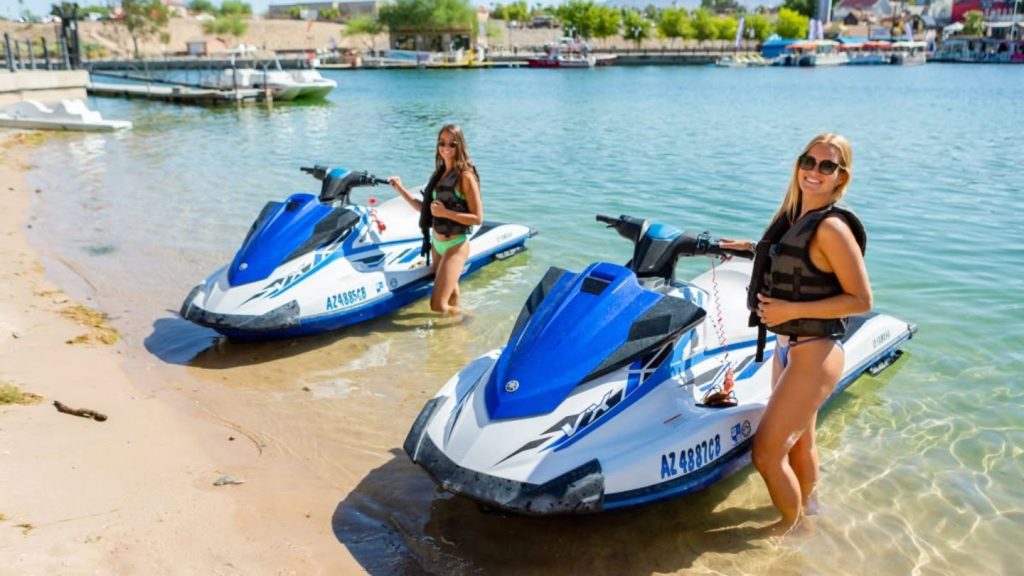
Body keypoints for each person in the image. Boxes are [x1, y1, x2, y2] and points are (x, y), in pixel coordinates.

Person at [721, 133, 873, 535]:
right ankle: (811, 511)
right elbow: (795, 258)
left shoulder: (832, 228)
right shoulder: (795, 217)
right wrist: (750, 249)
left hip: (814, 354)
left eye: (827, 166)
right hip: (787, 350)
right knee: (801, 444)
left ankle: (791, 528)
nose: (814, 171)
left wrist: (791, 310)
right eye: (809, 161)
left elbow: (861, 300)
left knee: (767, 455)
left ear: (841, 178)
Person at [387, 124, 483, 315]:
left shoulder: (465, 176)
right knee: (452, 292)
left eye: (452, 144)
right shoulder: (438, 174)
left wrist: (446, 213)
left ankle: (469, 317)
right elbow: (425, 209)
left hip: (455, 245)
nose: (446, 148)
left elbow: (478, 218)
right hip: (436, 245)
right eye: (442, 143)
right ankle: (453, 337)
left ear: (460, 146)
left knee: (437, 305)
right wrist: (400, 189)